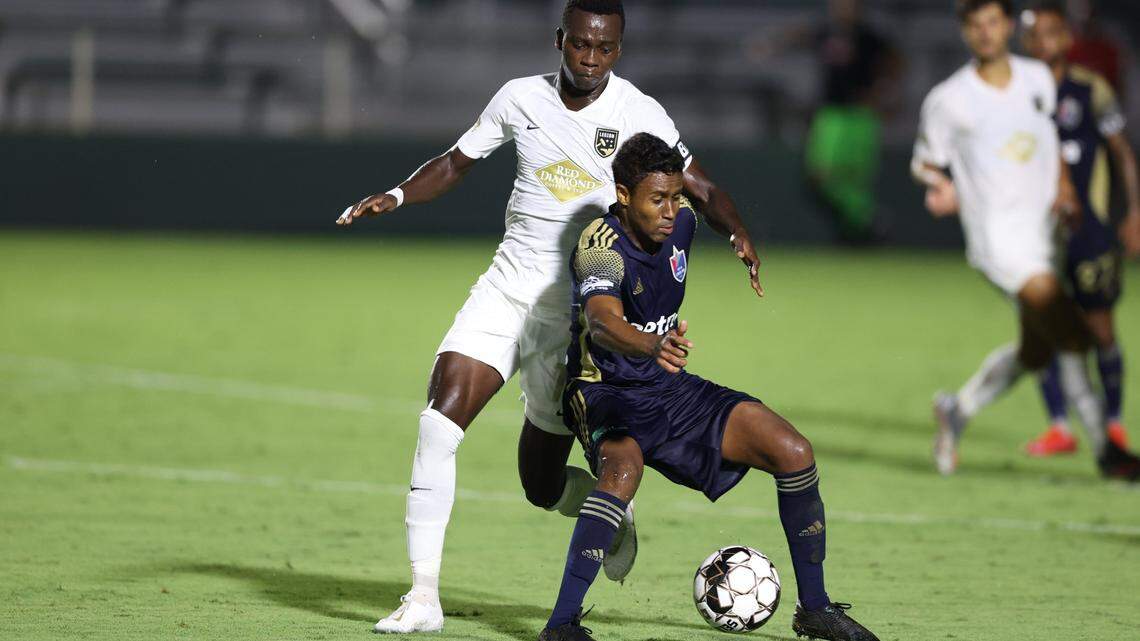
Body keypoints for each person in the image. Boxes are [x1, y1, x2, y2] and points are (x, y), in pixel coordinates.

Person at [336, 0, 764, 633]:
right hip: (506, 292)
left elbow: (696, 184)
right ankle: (423, 597)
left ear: (619, 49)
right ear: (559, 39)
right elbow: (457, 161)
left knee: (538, 484)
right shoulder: (519, 98)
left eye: (605, 49)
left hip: (575, 324)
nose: (590, 60)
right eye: (580, 45)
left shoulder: (640, 113)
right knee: (438, 423)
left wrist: (739, 230)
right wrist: (397, 194)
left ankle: (605, 516)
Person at [539, 133, 879, 641]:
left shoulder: (683, 226)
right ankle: (561, 625)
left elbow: (710, 197)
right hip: (604, 389)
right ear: (624, 195)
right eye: (658, 199)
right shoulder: (599, 246)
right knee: (623, 469)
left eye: (676, 197)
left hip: (668, 386)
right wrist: (650, 345)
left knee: (794, 451)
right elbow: (603, 322)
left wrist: (738, 231)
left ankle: (815, 609)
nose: (671, 210)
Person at [910, 0, 1140, 480]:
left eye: (993, 21)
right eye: (975, 25)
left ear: (1008, 26)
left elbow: (1050, 138)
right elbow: (924, 162)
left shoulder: (1037, 78)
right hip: (997, 242)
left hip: (1046, 236)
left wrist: (1062, 185)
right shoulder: (950, 98)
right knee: (1070, 327)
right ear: (965, 32)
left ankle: (958, 409)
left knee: (1038, 349)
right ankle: (1106, 450)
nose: (986, 32)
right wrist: (943, 185)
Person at [1020, 0, 1140, 457]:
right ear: (1024, 41)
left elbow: (1122, 152)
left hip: (1089, 227)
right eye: (1033, 34)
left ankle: (1113, 424)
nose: (1042, 41)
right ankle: (1059, 427)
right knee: (1040, 324)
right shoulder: (1017, 95)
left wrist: (1132, 213)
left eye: (1051, 32)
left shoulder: (1091, 90)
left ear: (1066, 38)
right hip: (1034, 232)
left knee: (1101, 328)